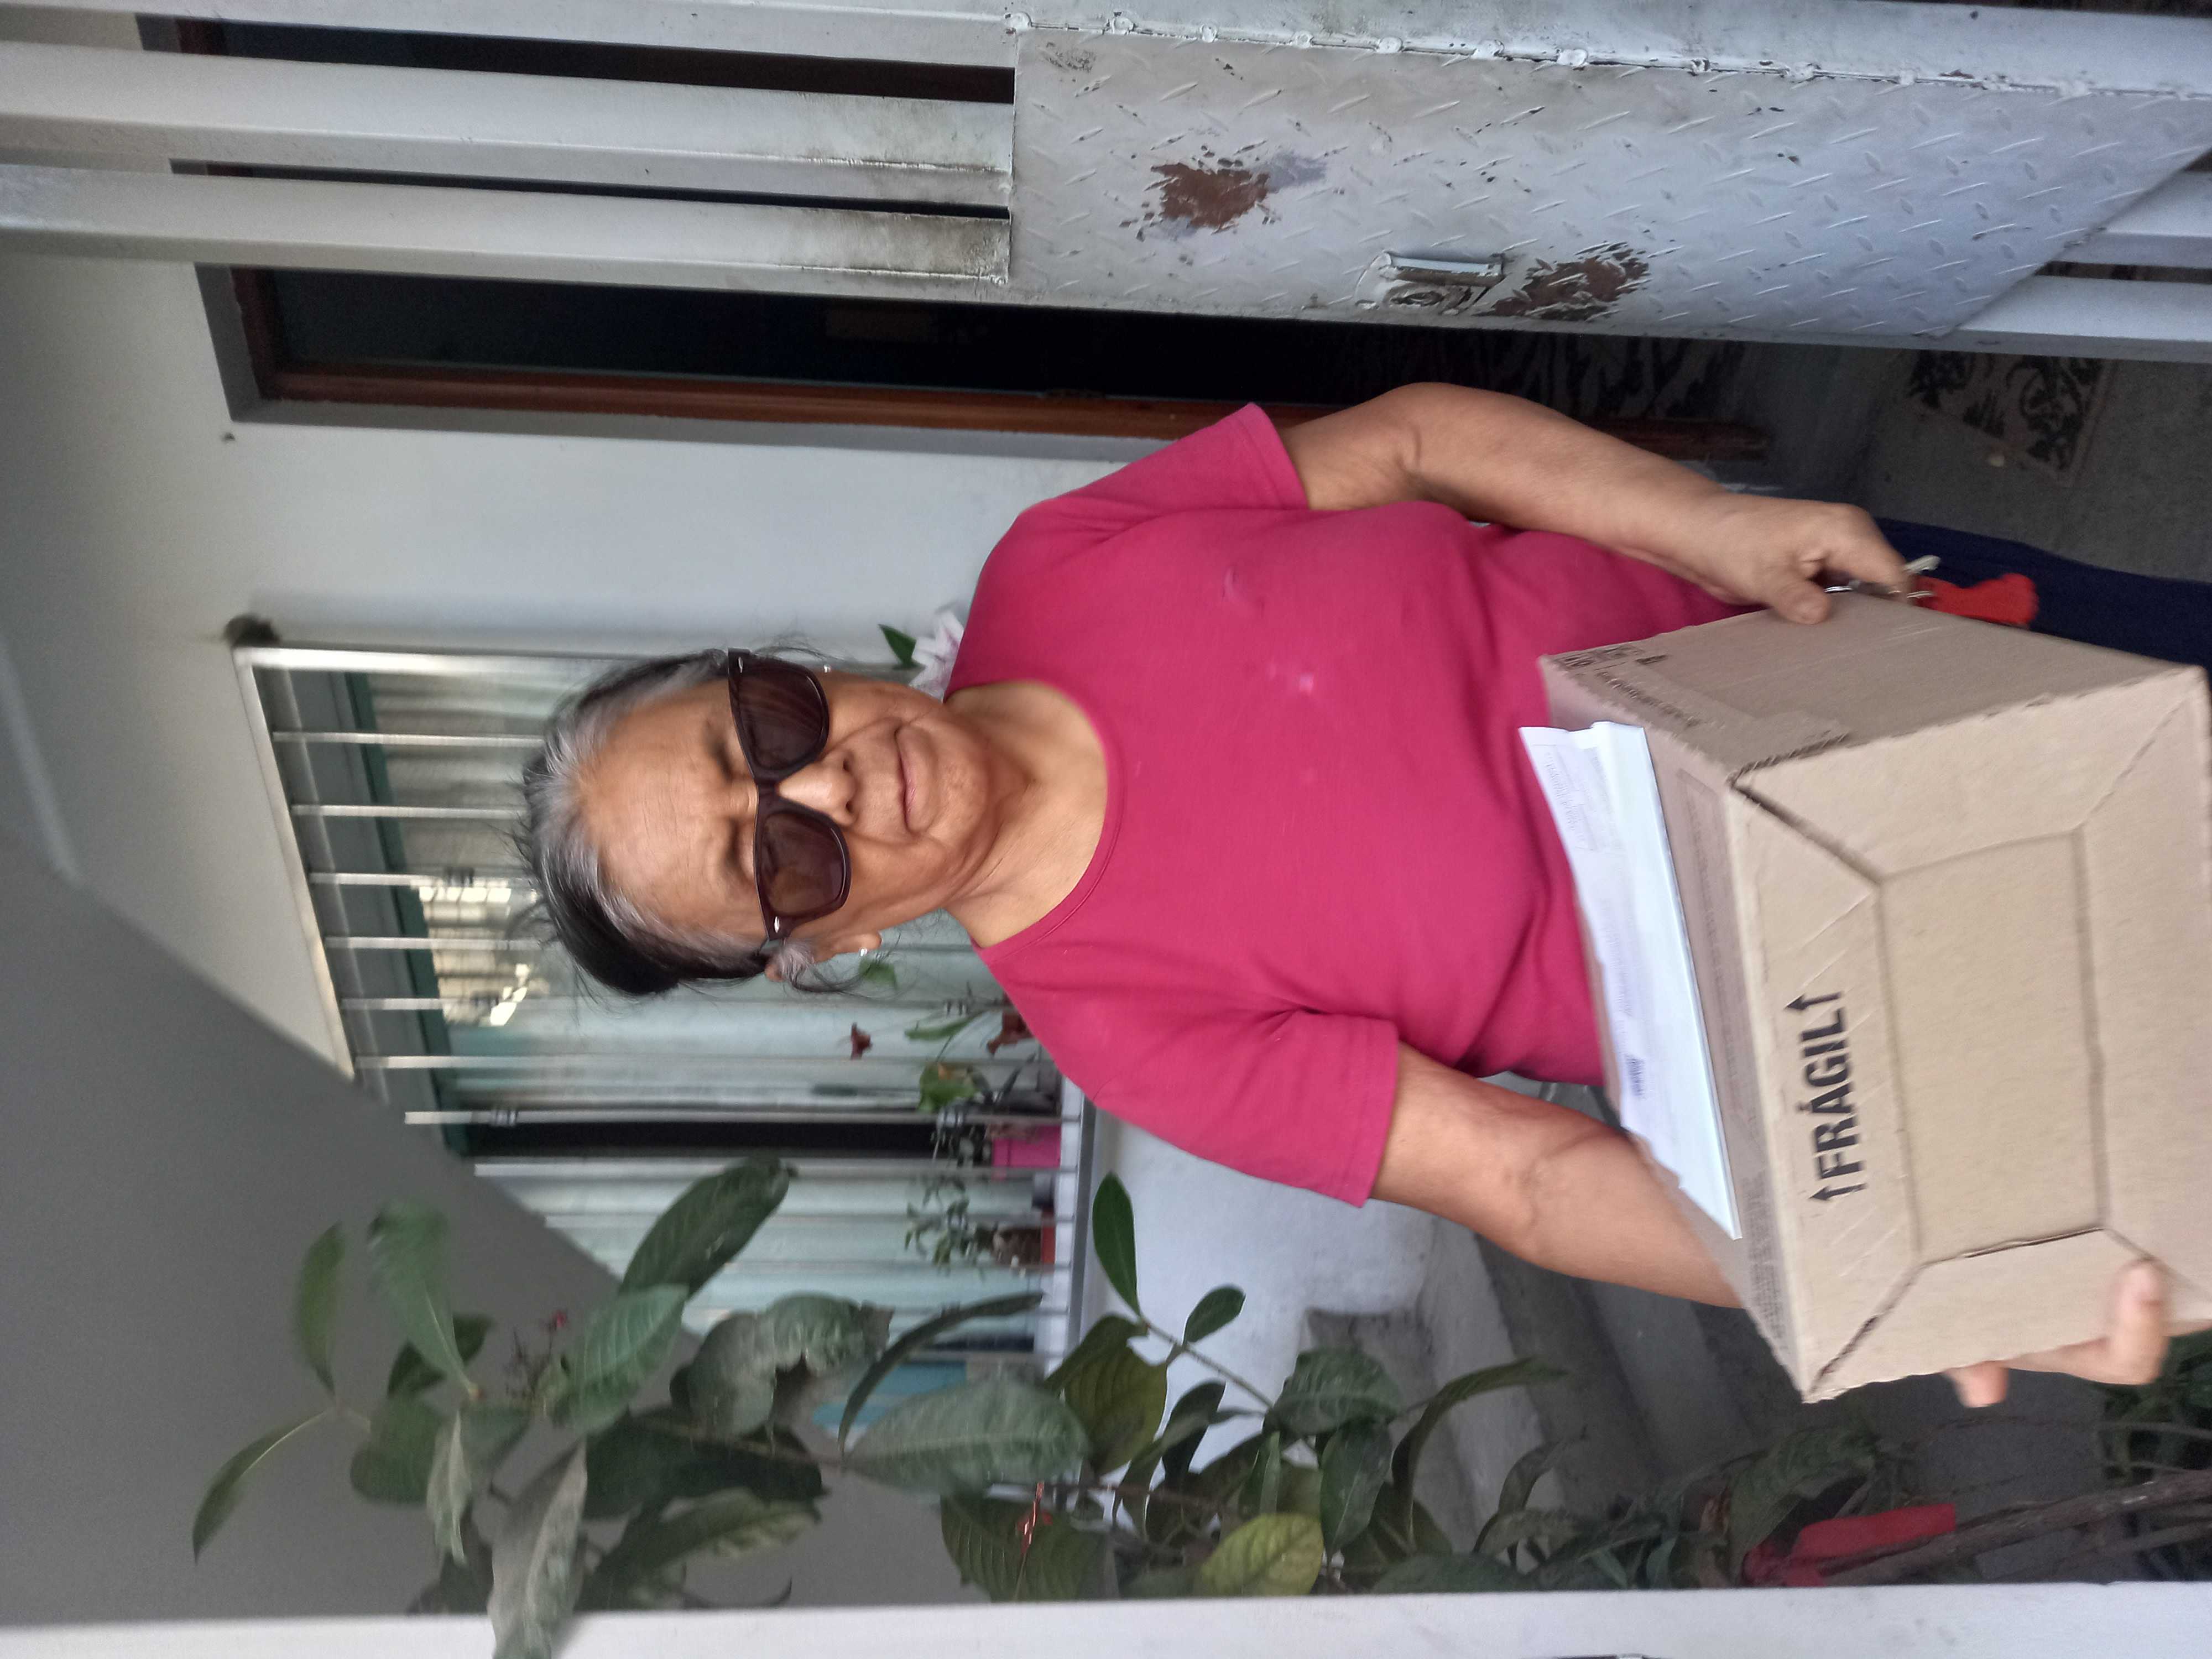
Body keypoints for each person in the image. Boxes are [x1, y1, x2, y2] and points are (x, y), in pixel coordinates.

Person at [523, 383, 2179, 1407]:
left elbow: (1412, 442)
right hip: (1884, 967)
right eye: (776, 860)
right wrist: (1900, 1276)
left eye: (765, 728)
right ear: (833, 941)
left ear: (790, 669)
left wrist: (1713, 523)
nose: (822, 787)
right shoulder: (1128, 1027)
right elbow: (1527, 1182)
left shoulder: (1060, 561)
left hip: (1849, 643)